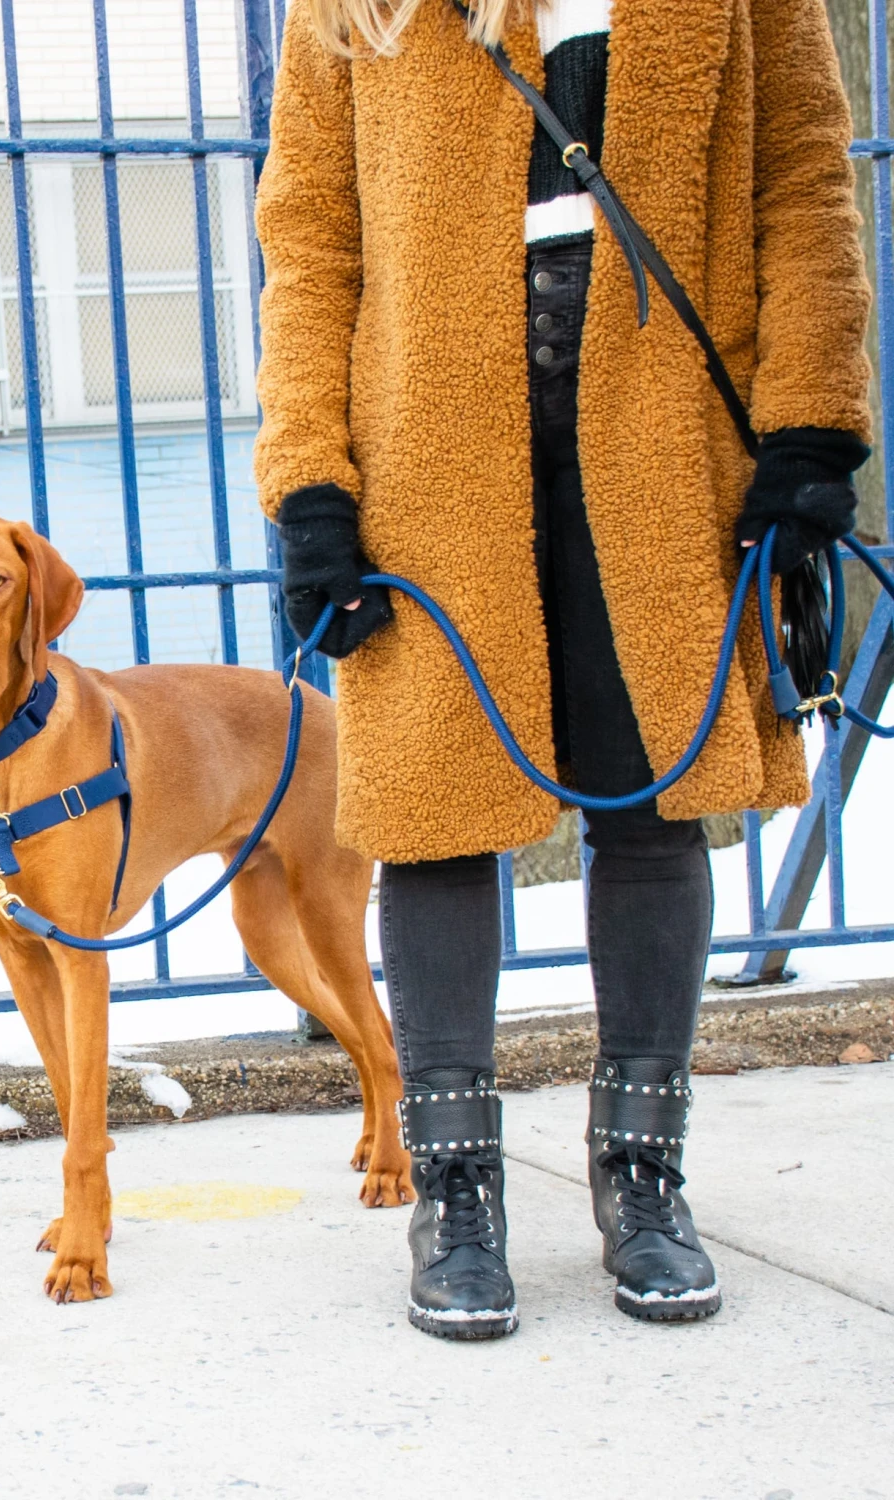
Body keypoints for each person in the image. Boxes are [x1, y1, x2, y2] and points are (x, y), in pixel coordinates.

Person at [254, 0, 871, 1339]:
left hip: (666, 437)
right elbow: (309, 238)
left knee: (653, 803)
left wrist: (813, 429)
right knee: (433, 817)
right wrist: (311, 484)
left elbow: (805, 185)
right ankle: (456, 1187)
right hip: (431, 456)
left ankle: (642, 1177)